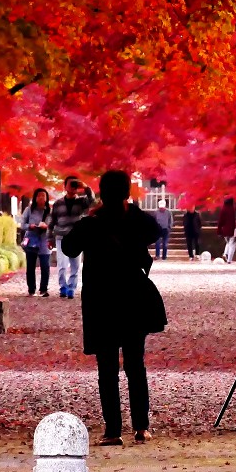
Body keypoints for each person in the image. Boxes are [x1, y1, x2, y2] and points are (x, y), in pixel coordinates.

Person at [62, 170, 165, 446]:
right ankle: (141, 427)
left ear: (101, 192)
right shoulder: (136, 220)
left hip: (101, 301)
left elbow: (68, 248)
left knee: (106, 367)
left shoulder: (91, 223)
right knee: (135, 364)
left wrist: (93, 214)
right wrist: (128, 208)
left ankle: (112, 430)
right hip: (133, 299)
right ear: (127, 194)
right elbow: (156, 230)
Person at [49, 177, 93, 299]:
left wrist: (85, 186)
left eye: (75, 184)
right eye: (71, 184)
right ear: (65, 186)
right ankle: (63, 286)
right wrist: (49, 238)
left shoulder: (81, 202)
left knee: (75, 265)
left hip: (76, 236)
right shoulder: (58, 203)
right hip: (61, 237)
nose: (73, 187)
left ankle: (71, 288)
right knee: (62, 265)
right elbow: (52, 221)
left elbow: (91, 200)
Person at [17, 188, 51, 296]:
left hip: (44, 240)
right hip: (32, 240)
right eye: (39, 195)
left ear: (46, 198)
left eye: (43, 196)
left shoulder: (50, 211)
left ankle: (43, 289)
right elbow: (22, 224)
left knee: (45, 266)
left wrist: (47, 227)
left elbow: (53, 225)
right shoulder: (29, 210)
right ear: (35, 197)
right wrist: (30, 226)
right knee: (31, 266)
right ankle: (31, 289)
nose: (41, 198)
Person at [216, 197, 236, 264]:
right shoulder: (234, 208)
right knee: (232, 244)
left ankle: (225, 254)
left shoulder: (223, 209)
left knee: (228, 243)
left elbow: (220, 221)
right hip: (233, 229)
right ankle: (229, 260)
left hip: (225, 230)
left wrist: (219, 231)